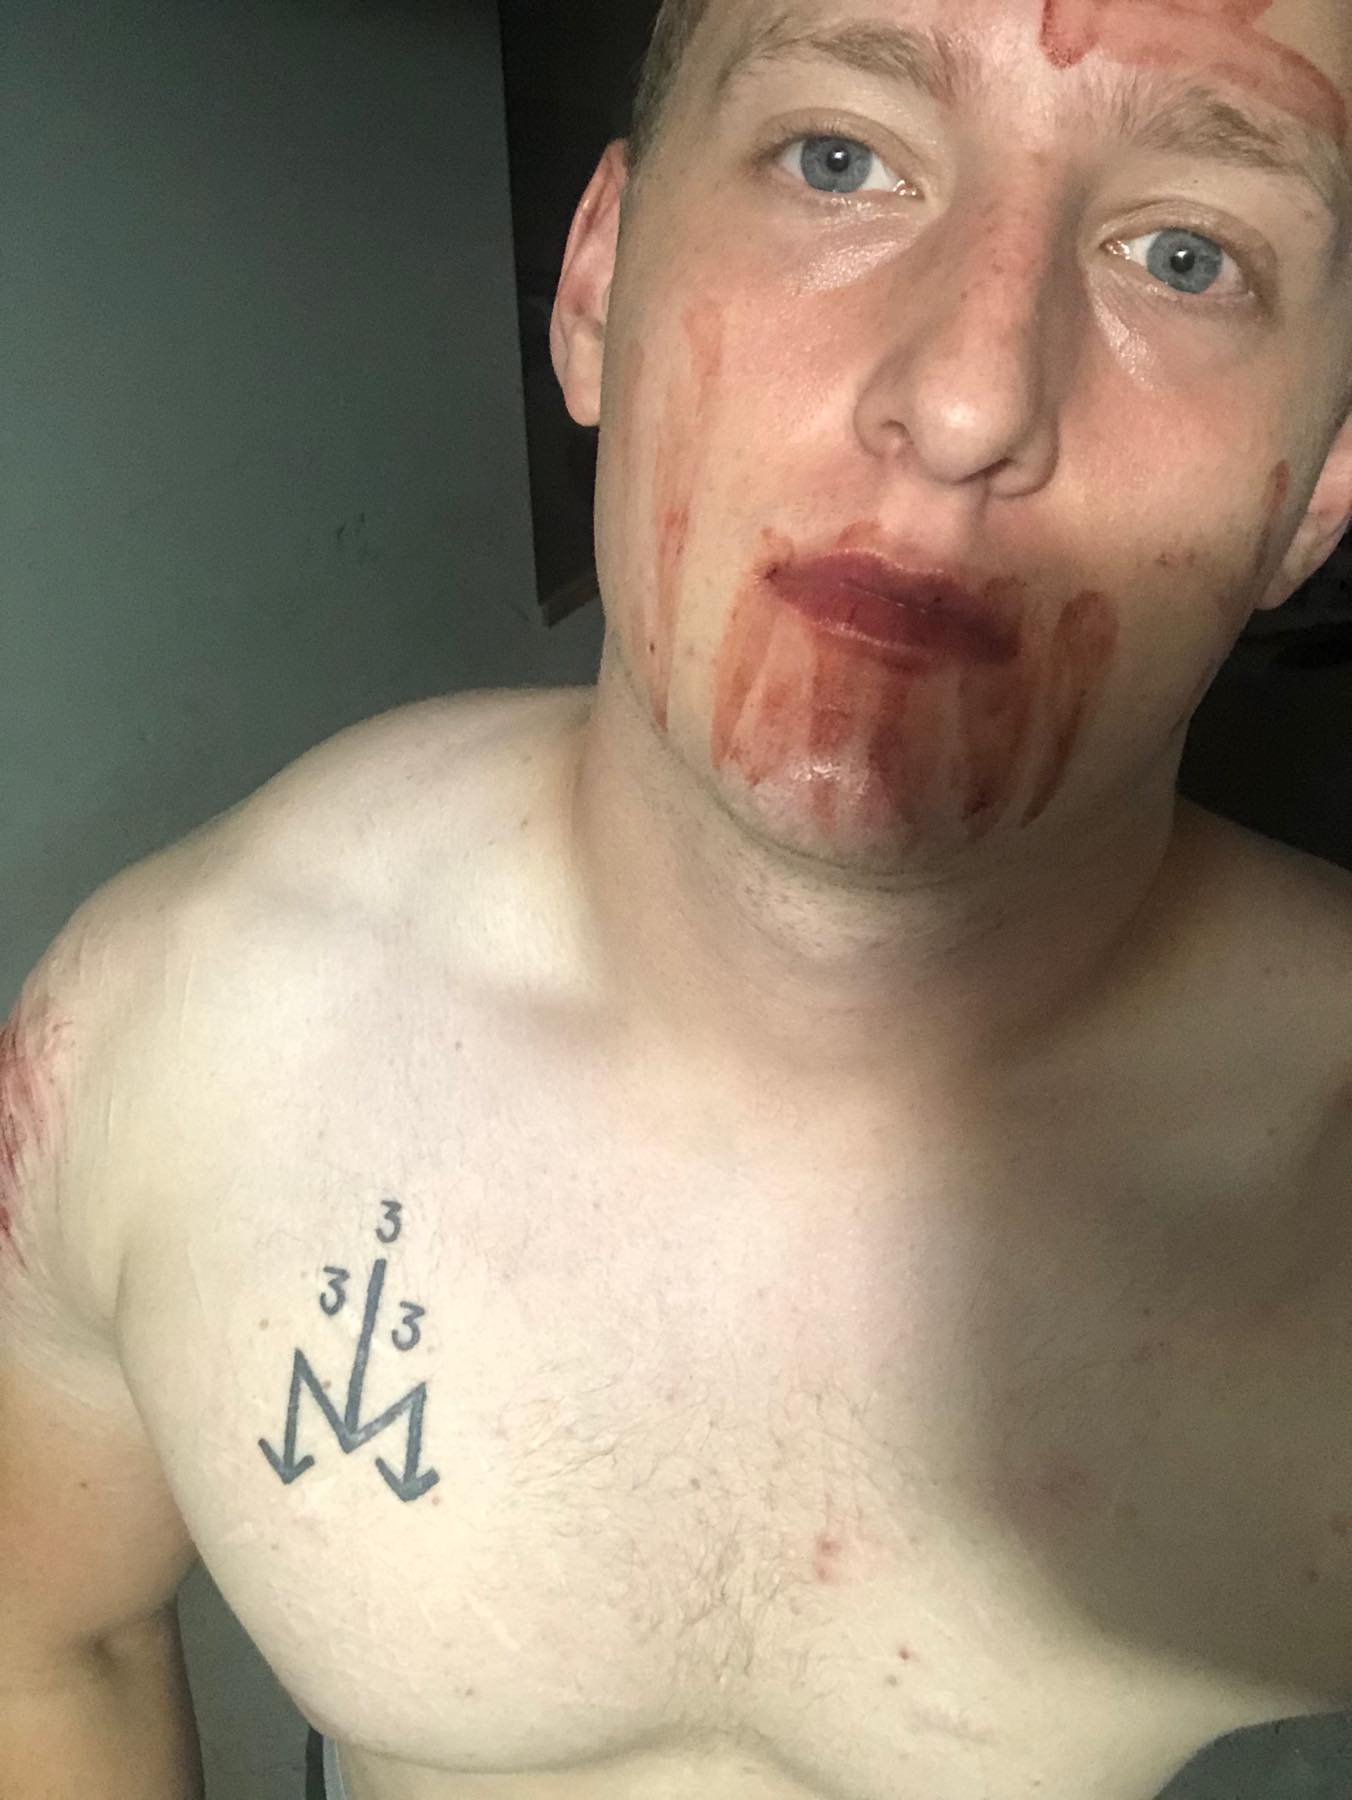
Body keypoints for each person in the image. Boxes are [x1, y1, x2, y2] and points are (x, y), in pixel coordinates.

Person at [4, 0, 1352, 1795]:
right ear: (594, 284)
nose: (967, 402)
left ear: (1320, 487)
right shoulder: (160, 1041)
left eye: (1187, 257)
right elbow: (48, 1645)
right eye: (838, 160)